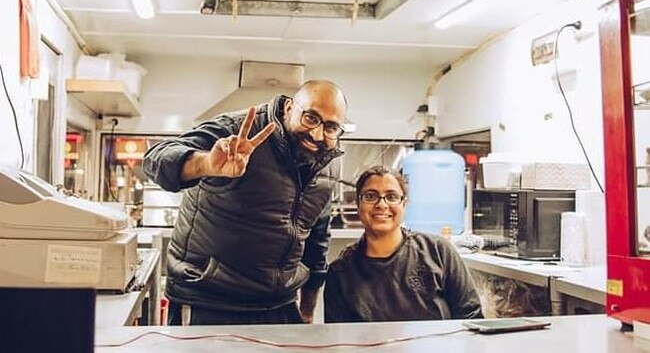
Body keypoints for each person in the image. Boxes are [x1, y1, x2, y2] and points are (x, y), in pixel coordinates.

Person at [143, 80, 347, 325]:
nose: (317, 134)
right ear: (290, 107)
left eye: (331, 127)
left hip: (278, 303)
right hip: (209, 299)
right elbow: (155, 159)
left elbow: (317, 236)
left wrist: (307, 309)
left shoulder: (328, 160)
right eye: (311, 118)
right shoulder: (236, 130)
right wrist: (206, 164)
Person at [324, 165, 483, 323]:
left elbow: (471, 317)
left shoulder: (438, 251)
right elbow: (339, 340)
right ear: (358, 204)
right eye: (370, 196)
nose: (381, 204)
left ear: (404, 204)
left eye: (392, 196)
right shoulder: (341, 273)